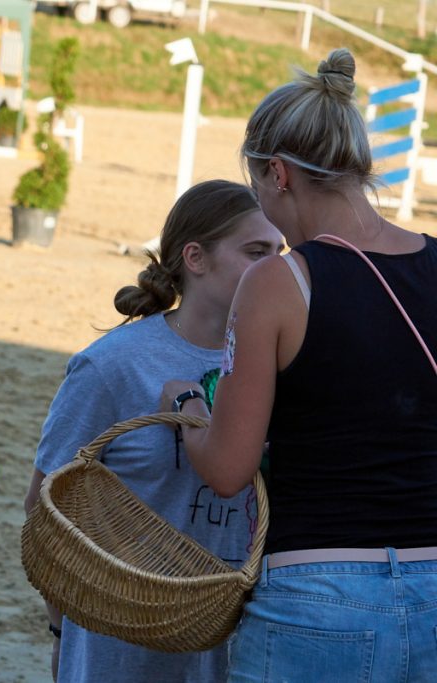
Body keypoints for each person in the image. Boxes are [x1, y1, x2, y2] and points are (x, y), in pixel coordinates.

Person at [161, 48, 437, 682]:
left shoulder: (278, 282)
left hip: (318, 594)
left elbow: (228, 469)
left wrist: (184, 404)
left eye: (258, 186)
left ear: (278, 174)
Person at [24, 179, 284, 682]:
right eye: (256, 252)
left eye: (280, 253)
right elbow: (45, 507)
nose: (273, 268)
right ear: (196, 258)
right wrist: (62, 630)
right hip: (122, 652)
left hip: (246, 649)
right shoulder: (113, 365)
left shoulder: (284, 362)